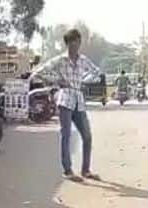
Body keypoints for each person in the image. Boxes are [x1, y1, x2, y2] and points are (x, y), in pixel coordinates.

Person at [30, 28, 102, 182]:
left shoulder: (83, 60)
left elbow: (97, 72)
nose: (75, 46)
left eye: (77, 42)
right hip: (65, 100)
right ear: (67, 44)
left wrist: (85, 80)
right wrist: (57, 80)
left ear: (80, 43)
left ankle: (86, 170)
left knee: (87, 136)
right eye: (72, 43)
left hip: (79, 100)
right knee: (66, 135)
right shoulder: (60, 60)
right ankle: (68, 170)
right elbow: (38, 73)